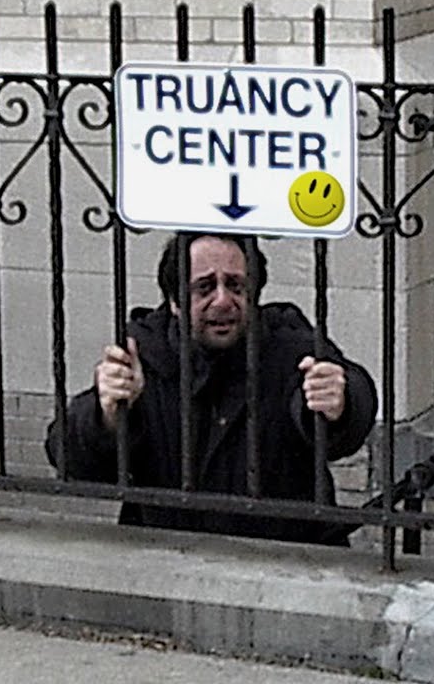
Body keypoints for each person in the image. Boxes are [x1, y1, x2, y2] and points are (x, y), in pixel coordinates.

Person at [44, 233, 377, 546]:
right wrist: (107, 416)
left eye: (235, 285)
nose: (222, 301)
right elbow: (69, 459)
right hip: (167, 562)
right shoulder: (143, 356)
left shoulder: (291, 348)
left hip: (288, 561)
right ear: (174, 301)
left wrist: (340, 404)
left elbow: (352, 413)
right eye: (204, 288)